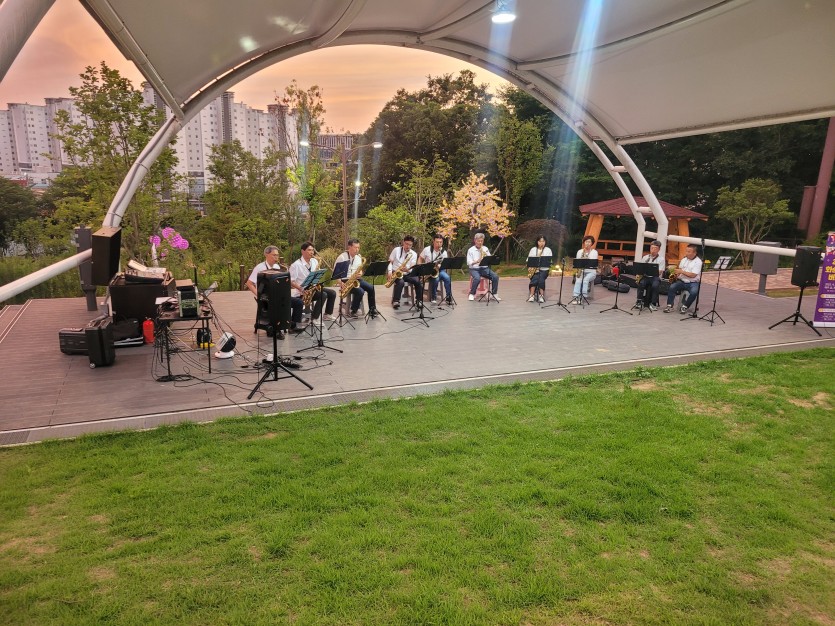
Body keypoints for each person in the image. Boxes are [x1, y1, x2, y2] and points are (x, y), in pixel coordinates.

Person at [247, 245, 300, 337]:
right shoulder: (259, 268)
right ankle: (275, 329)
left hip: (278, 295)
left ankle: (292, 325)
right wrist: (259, 295)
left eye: (277, 255)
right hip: (266, 298)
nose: (276, 257)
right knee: (277, 305)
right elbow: (249, 283)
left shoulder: (277, 266)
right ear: (266, 255)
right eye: (274, 255)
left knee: (298, 302)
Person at [289, 242, 336, 323]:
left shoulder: (314, 261)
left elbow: (317, 274)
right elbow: (291, 281)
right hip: (302, 292)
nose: (312, 252)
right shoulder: (296, 265)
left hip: (313, 289)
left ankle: (328, 314)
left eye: (312, 250)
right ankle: (314, 318)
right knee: (323, 294)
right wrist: (301, 289)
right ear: (302, 251)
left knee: (332, 293)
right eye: (309, 250)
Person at [335, 238, 378, 319]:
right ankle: (353, 311)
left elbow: (360, 270)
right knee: (360, 291)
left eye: (358, 247)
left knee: (371, 287)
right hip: (346, 280)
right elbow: (336, 273)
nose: (357, 250)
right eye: (355, 247)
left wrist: (360, 273)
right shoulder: (342, 257)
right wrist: (340, 283)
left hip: (356, 279)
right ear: (349, 247)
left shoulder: (358, 258)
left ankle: (372, 309)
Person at [664, 243, 703, 313]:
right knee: (672, 287)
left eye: (689, 252)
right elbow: (680, 270)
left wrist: (681, 271)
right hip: (682, 281)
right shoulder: (684, 259)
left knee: (694, 292)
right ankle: (670, 305)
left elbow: (693, 275)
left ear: (695, 253)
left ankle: (685, 306)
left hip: (693, 282)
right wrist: (675, 274)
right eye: (686, 251)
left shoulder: (698, 262)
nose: (686, 253)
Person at [387, 235, 423, 309]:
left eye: (410, 245)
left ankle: (419, 300)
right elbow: (390, 262)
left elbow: (412, 267)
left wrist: (407, 270)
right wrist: (389, 271)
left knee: (418, 281)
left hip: (407, 273)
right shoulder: (396, 250)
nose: (408, 246)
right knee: (400, 282)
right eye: (406, 244)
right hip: (396, 272)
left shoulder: (414, 254)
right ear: (403, 242)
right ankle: (396, 301)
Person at [466, 232, 501, 301]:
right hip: (474, 269)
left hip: (484, 268)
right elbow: (468, 262)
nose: (480, 243)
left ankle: (494, 294)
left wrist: (488, 258)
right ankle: (472, 294)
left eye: (481, 241)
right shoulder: (471, 250)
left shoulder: (485, 248)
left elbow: (490, 258)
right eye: (478, 241)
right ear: (475, 240)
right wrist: (476, 261)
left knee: (495, 277)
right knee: (477, 278)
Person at [634, 239, 666, 311]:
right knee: (641, 283)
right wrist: (638, 274)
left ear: (659, 250)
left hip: (655, 277)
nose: (653, 250)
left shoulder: (661, 259)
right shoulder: (645, 257)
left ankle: (653, 303)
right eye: (652, 248)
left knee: (655, 285)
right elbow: (640, 268)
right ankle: (639, 301)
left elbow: (660, 272)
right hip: (646, 276)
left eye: (655, 248)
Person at [419, 234, 451, 304]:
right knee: (436, 279)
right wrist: (420, 268)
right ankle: (433, 297)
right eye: (437, 242)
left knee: (447, 278)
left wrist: (440, 266)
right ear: (433, 242)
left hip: (440, 270)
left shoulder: (443, 252)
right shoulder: (427, 249)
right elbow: (420, 258)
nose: (439, 244)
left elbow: (445, 263)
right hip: (429, 270)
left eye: (440, 242)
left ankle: (448, 297)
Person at [569, 235, 598, 304]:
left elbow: (593, 264)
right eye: (586, 242)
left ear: (592, 243)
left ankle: (583, 297)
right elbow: (577, 263)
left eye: (589, 242)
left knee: (585, 280)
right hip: (581, 270)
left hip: (591, 272)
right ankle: (576, 296)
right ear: (584, 243)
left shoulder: (594, 252)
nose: (587, 243)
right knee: (578, 280)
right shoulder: (580, 251)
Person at [527, 235, 553, 303]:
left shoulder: (548, 250)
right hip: (535, 270)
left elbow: (549, 261)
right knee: (535, 278)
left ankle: (541, 295)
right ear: (537, 242)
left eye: (543, 241)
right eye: (540, 241)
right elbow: (528, 260)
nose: (542, 243)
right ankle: (531, 295)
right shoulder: (533, 249)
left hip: (544, 269)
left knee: (541, 278)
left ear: (545, 242)